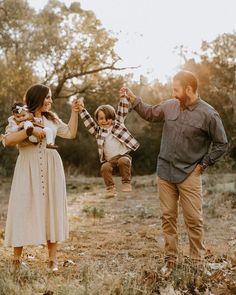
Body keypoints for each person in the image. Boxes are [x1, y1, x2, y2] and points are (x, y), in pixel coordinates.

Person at [120, 70, 228, 276]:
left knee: (194, 220)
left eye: (176, 89)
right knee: (167, 217)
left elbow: (221, 144)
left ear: (189, 89)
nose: (173, 92)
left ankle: (196, 262)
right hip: (165, 172)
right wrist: (133, 98)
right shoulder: (170, 106)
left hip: (189, 173)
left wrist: (203, 164)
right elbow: (150, 113)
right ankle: (170, 259)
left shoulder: (209, 114)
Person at [2, 84, 80, 271]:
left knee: (51, 209)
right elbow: (8, 141)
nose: (50, 101)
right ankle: (16, 260)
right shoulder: (19, 118)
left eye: (51, 97)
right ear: (37, 98)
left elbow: (70, 133)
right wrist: (30, 131)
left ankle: (52, 260)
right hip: (26, 169)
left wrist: (75, 112)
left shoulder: (51, 119)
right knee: (22, 209)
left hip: (51, 167)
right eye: (47, 97)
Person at [77, 96, 139, 198]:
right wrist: (81, 109)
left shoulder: (118, 125)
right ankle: (110, 189)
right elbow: (88, 122)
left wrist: (123, 97)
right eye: (101, 118)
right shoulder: (98, 131)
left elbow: (122, 111)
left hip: (122, 155)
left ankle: (126, 182)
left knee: (123, 161)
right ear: (97, 120)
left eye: (108, 118)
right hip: (110, 160)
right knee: (104, 167)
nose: (105, 121)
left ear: (113, 118)